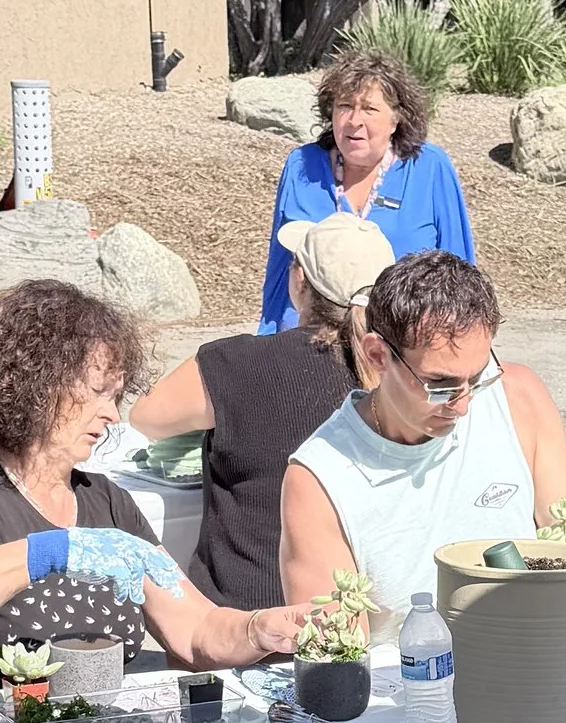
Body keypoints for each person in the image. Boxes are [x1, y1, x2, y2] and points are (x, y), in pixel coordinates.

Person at [0, 280, 303, 681]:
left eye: (115, 396)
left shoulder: (108, 504)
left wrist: (258, 630)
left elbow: (196, 630)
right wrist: (49, 552)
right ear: (35, 388)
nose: (112, 414)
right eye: (97, 392)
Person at [282, 249, 566, 613]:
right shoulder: (319, 479)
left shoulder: (517, 397)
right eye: (440, 383)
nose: (463, 404)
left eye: (479, 377)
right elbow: (339, 654)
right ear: (378, 356)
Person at [131, 210, 393, 604]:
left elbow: (145, 418)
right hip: (357, 614)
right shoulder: (406, 376)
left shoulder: (237, 363)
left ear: (299, 281)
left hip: (242, 615)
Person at [257, 47, 474, 332]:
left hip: (397, 345)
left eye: (370, 109)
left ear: (396, 119)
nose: (354, 120)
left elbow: (459, 273)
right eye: (345, 106)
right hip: (308, 342)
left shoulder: (429, 168)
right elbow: (279, 269)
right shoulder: (302, 165)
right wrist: (266, 339)